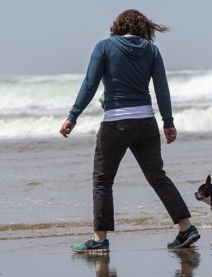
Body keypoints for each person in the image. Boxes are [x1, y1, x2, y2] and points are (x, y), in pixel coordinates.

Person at [60, 9, 200, 253]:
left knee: (103, 180)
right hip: (146, 123)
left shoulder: (103, 47)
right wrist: (168, 122)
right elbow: (162, 89)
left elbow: (90, 85)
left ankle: (99, 239)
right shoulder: (152, 50)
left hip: (115, 123)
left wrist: (73, 116)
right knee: (158, 176)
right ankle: (186, 227)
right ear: (143, 28)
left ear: (118, 26)